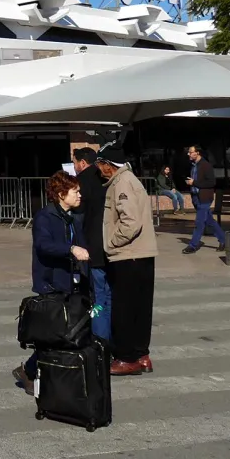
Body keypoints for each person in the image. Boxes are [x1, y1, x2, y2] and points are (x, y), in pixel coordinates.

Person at [12, 170, 88, 395]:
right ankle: (29, 370)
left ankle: (56, 373)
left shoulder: (74, 216)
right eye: (75, 191)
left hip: (73, 280)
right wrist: (71, 249)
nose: (79, 195)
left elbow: (83, 243)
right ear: (61, 194)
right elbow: (44, 245)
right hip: (51, 282)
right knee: (53, 333)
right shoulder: (45, 216)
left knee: (71, 331)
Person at [96, 142, 158, 376]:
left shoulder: (122, 182)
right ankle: (142, 354)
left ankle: (125, 358)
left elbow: (130, 222)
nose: (98, 169)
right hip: (142, 254)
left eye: (100, 164)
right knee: (141, 308)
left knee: (124, 309)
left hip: (128, 255)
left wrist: (111, 242)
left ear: (108, 165)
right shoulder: (131, 180)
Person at [72, 147, 111, 342]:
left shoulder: (82, 182)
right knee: (108, 295)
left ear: (82, 162)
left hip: (92, 246)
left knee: (97, 296)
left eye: (74, 162)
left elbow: (78, 218)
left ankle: (99, 340)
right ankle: (109, 338)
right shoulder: (107, 179)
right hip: (110, 245)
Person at [182, 145, 226, 254]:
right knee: (209, 221)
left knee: (199, 222)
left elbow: (211, 183)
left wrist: (194, 182)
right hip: (196, 197)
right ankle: (224, 240)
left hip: (204, 198)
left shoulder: (206, 165)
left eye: (190, 152)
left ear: (197, 153)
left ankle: (193, 245)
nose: (188, 154)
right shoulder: (194, 165)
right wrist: (191, 183)